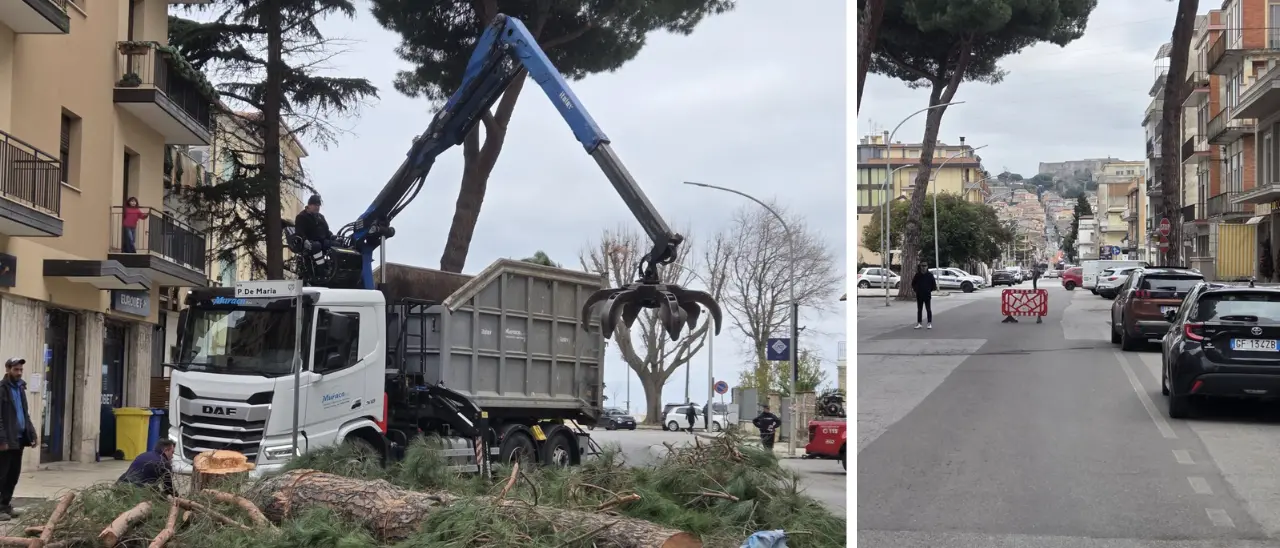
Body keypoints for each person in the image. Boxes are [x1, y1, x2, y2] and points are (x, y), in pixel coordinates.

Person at [0, 358, 36, 521]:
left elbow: (24, 413)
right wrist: (2, 439)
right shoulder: (2, 389)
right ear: (8, 369)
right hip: (6, 442)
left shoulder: (21, 388)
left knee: (13, 475)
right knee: (2, 475)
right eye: (16, 369)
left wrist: (32, 434)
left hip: (19, 439)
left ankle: (6, 505)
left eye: (21, 369)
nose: (19, 372)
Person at [294, 194, 334, 276]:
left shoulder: (320, 217)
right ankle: (321, 269)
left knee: (336, 244)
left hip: (322, 240)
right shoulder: (302, 217)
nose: (317, 207)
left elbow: (326, 231)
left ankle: (335, 267)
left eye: (318, 205)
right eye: (315, 205)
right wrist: (305, 240)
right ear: (309, 205)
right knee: (317, 245)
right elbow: (299, 231)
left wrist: (333, 237)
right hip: (309, 242)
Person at [911, 262, 937, 329]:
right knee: (919, 309)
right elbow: (913, 283)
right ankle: (919, 323)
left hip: (927, 295)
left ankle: (929, 323)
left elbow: (934, 285)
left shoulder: (930, 275)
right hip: (919, 295)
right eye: (922, 266)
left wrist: (929, 290)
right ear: (920, 267)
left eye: (925, 266)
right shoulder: (917, 275)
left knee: (928, 309)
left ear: (927, 267)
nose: (923, 267)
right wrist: (916, 290)